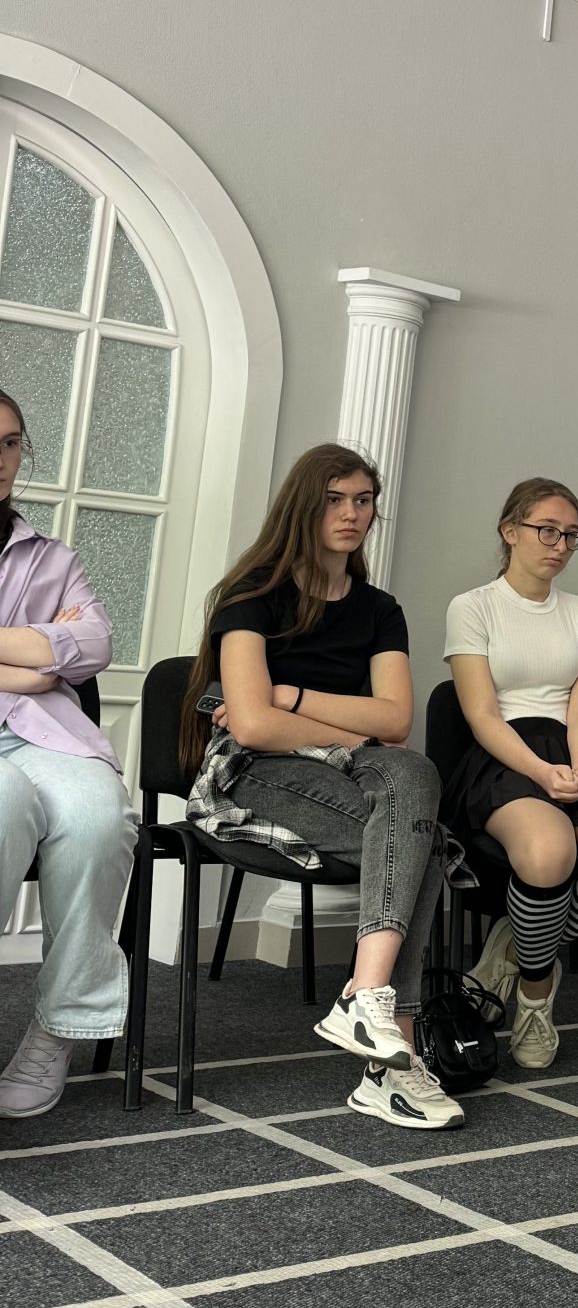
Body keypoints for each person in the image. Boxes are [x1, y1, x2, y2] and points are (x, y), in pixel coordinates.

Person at [182, 442, 466, 1133]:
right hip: (256, 774)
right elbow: (252, 727)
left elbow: (396, 721)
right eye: (335, 500)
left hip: (345, 770)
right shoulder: (251, 598)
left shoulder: (379, 610)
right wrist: (341, 727)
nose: (351, 514)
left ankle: (366, 997)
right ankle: (390, 1058)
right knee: (424, 843)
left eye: (363, 501)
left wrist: (290, 695)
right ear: (303, 507)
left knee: (414, 770)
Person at [445, 477, 578, 1070]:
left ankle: (515, 946)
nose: (561, 545)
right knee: (549, 854)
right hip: (504, 755)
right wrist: (543, 773)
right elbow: (481, 714)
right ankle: (536, 996)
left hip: (573, 749)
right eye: (547, 530)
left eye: (571, 535)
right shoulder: (473, 606)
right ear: (510, 531)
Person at [0, 385, 138, 1118]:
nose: (0, 458)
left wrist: (45, 665)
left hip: (41, 731)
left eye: (10, 443)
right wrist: (33, 658)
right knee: (2, 804)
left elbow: (93, 645)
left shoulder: (52, 557)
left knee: (99, 816)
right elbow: (59, 654)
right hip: (14, 740)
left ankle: (58, 1027)